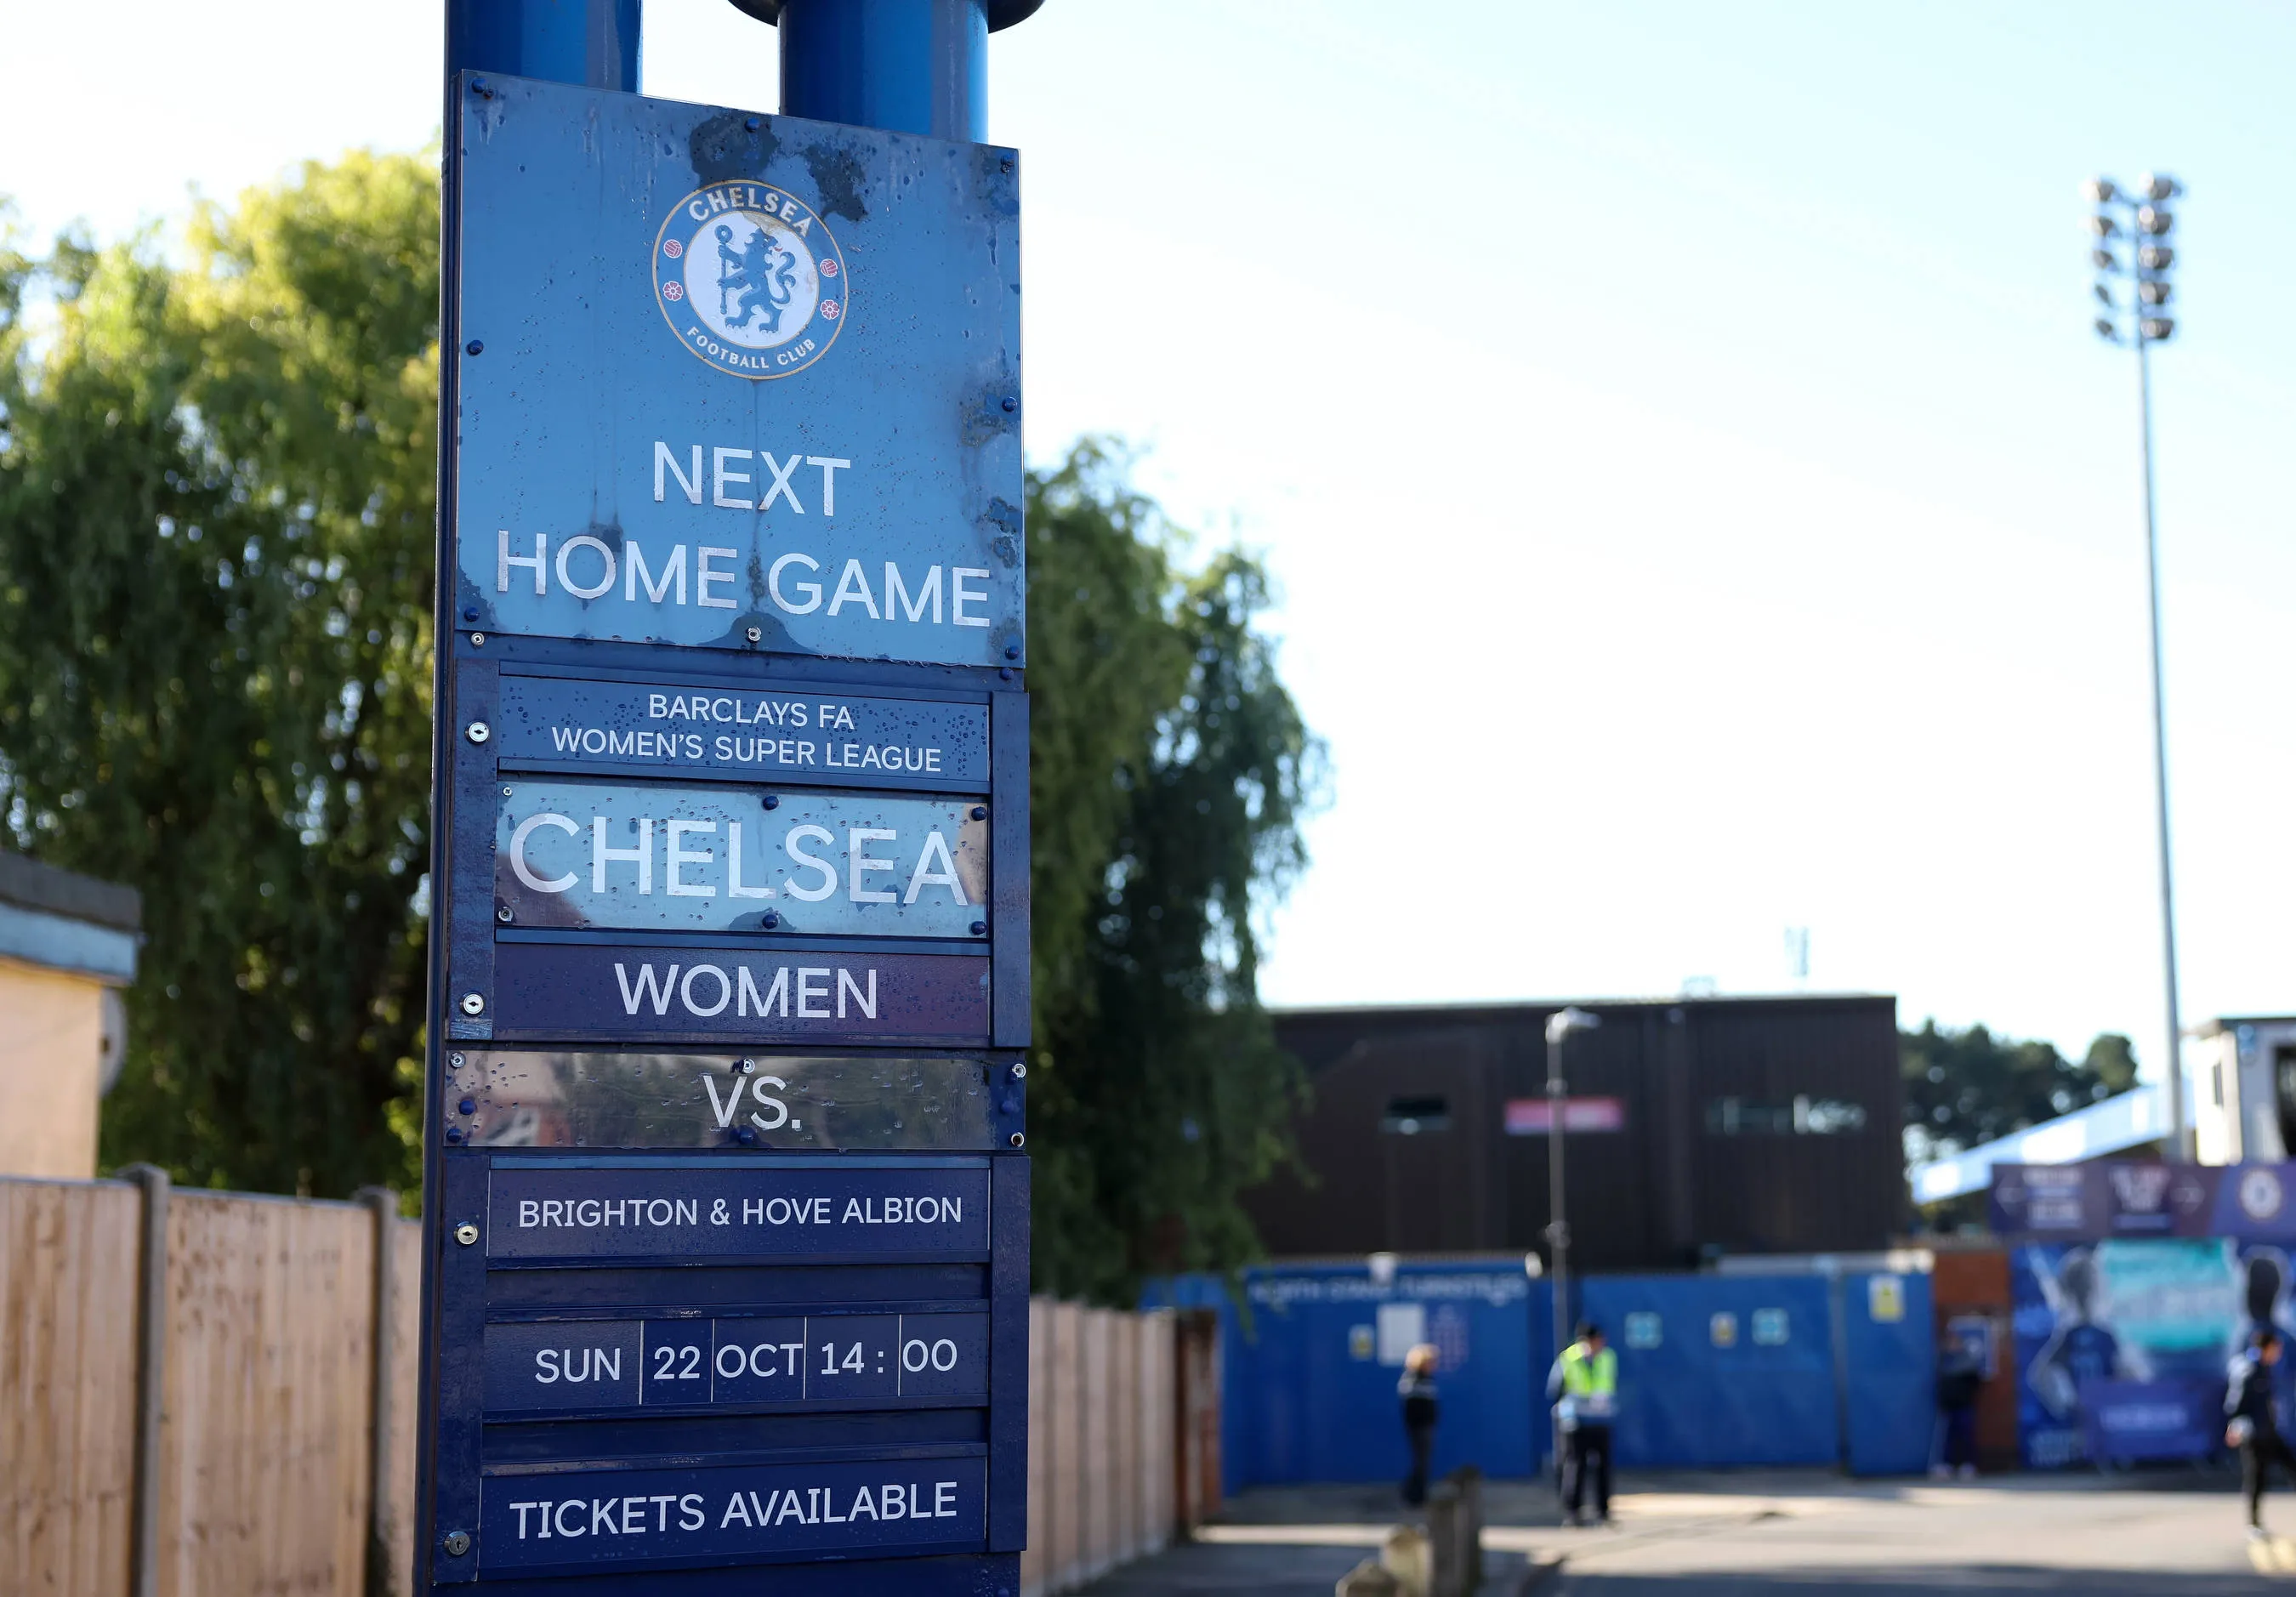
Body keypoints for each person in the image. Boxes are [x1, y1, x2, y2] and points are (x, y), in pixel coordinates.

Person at [1547, 1321, 1617, 1526]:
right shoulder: (1569, 1359)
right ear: (1586, 1341)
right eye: (1597, 1340)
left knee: (1603, 1467)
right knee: (1576, 1466)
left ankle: (1603, 1511)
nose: (1600, 1344)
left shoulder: (1607, 1357)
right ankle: (1573, 1512)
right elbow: (1554, 1389)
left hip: (1601, 1420)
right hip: (1575, 1423)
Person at [2229, 1328, 2296, 1538]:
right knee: (2256, 1479)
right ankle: (2254, 1525)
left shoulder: (2265, 1369)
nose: (2278, 1353)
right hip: (2253, 1436)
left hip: (2269, 1432)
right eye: (2276, 1348)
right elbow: (2235, 1405)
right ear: (2267, 1348)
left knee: (2292, 1467)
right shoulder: (2249, 1370)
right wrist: (2235, 1426)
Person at [1931, 1338, 1983, 1480]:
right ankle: (1947, 1465)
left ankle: (1968, 1465)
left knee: (1966, 1435)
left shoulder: (1967, 1361)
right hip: (1949, 1406)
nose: (1952, 1346)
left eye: (1955, 1343)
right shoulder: (1944, 1362)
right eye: (1950, 1344)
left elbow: (1975, 1382)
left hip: (1964, 1405)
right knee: (1949, 1437)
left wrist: (1965, 1395)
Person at [1397, 1343, 1440, 1506]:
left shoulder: (1427, 1379)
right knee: (1420, 1461)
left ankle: (1418, 1493)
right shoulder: (1412, 1379)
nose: (1434, 1365)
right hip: (1419, 1427)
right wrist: (1421, 1423)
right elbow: (1412, 1407)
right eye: (1431, 1362)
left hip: (1426, 1426)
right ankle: (1414, 1495)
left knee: (1423, 1461)